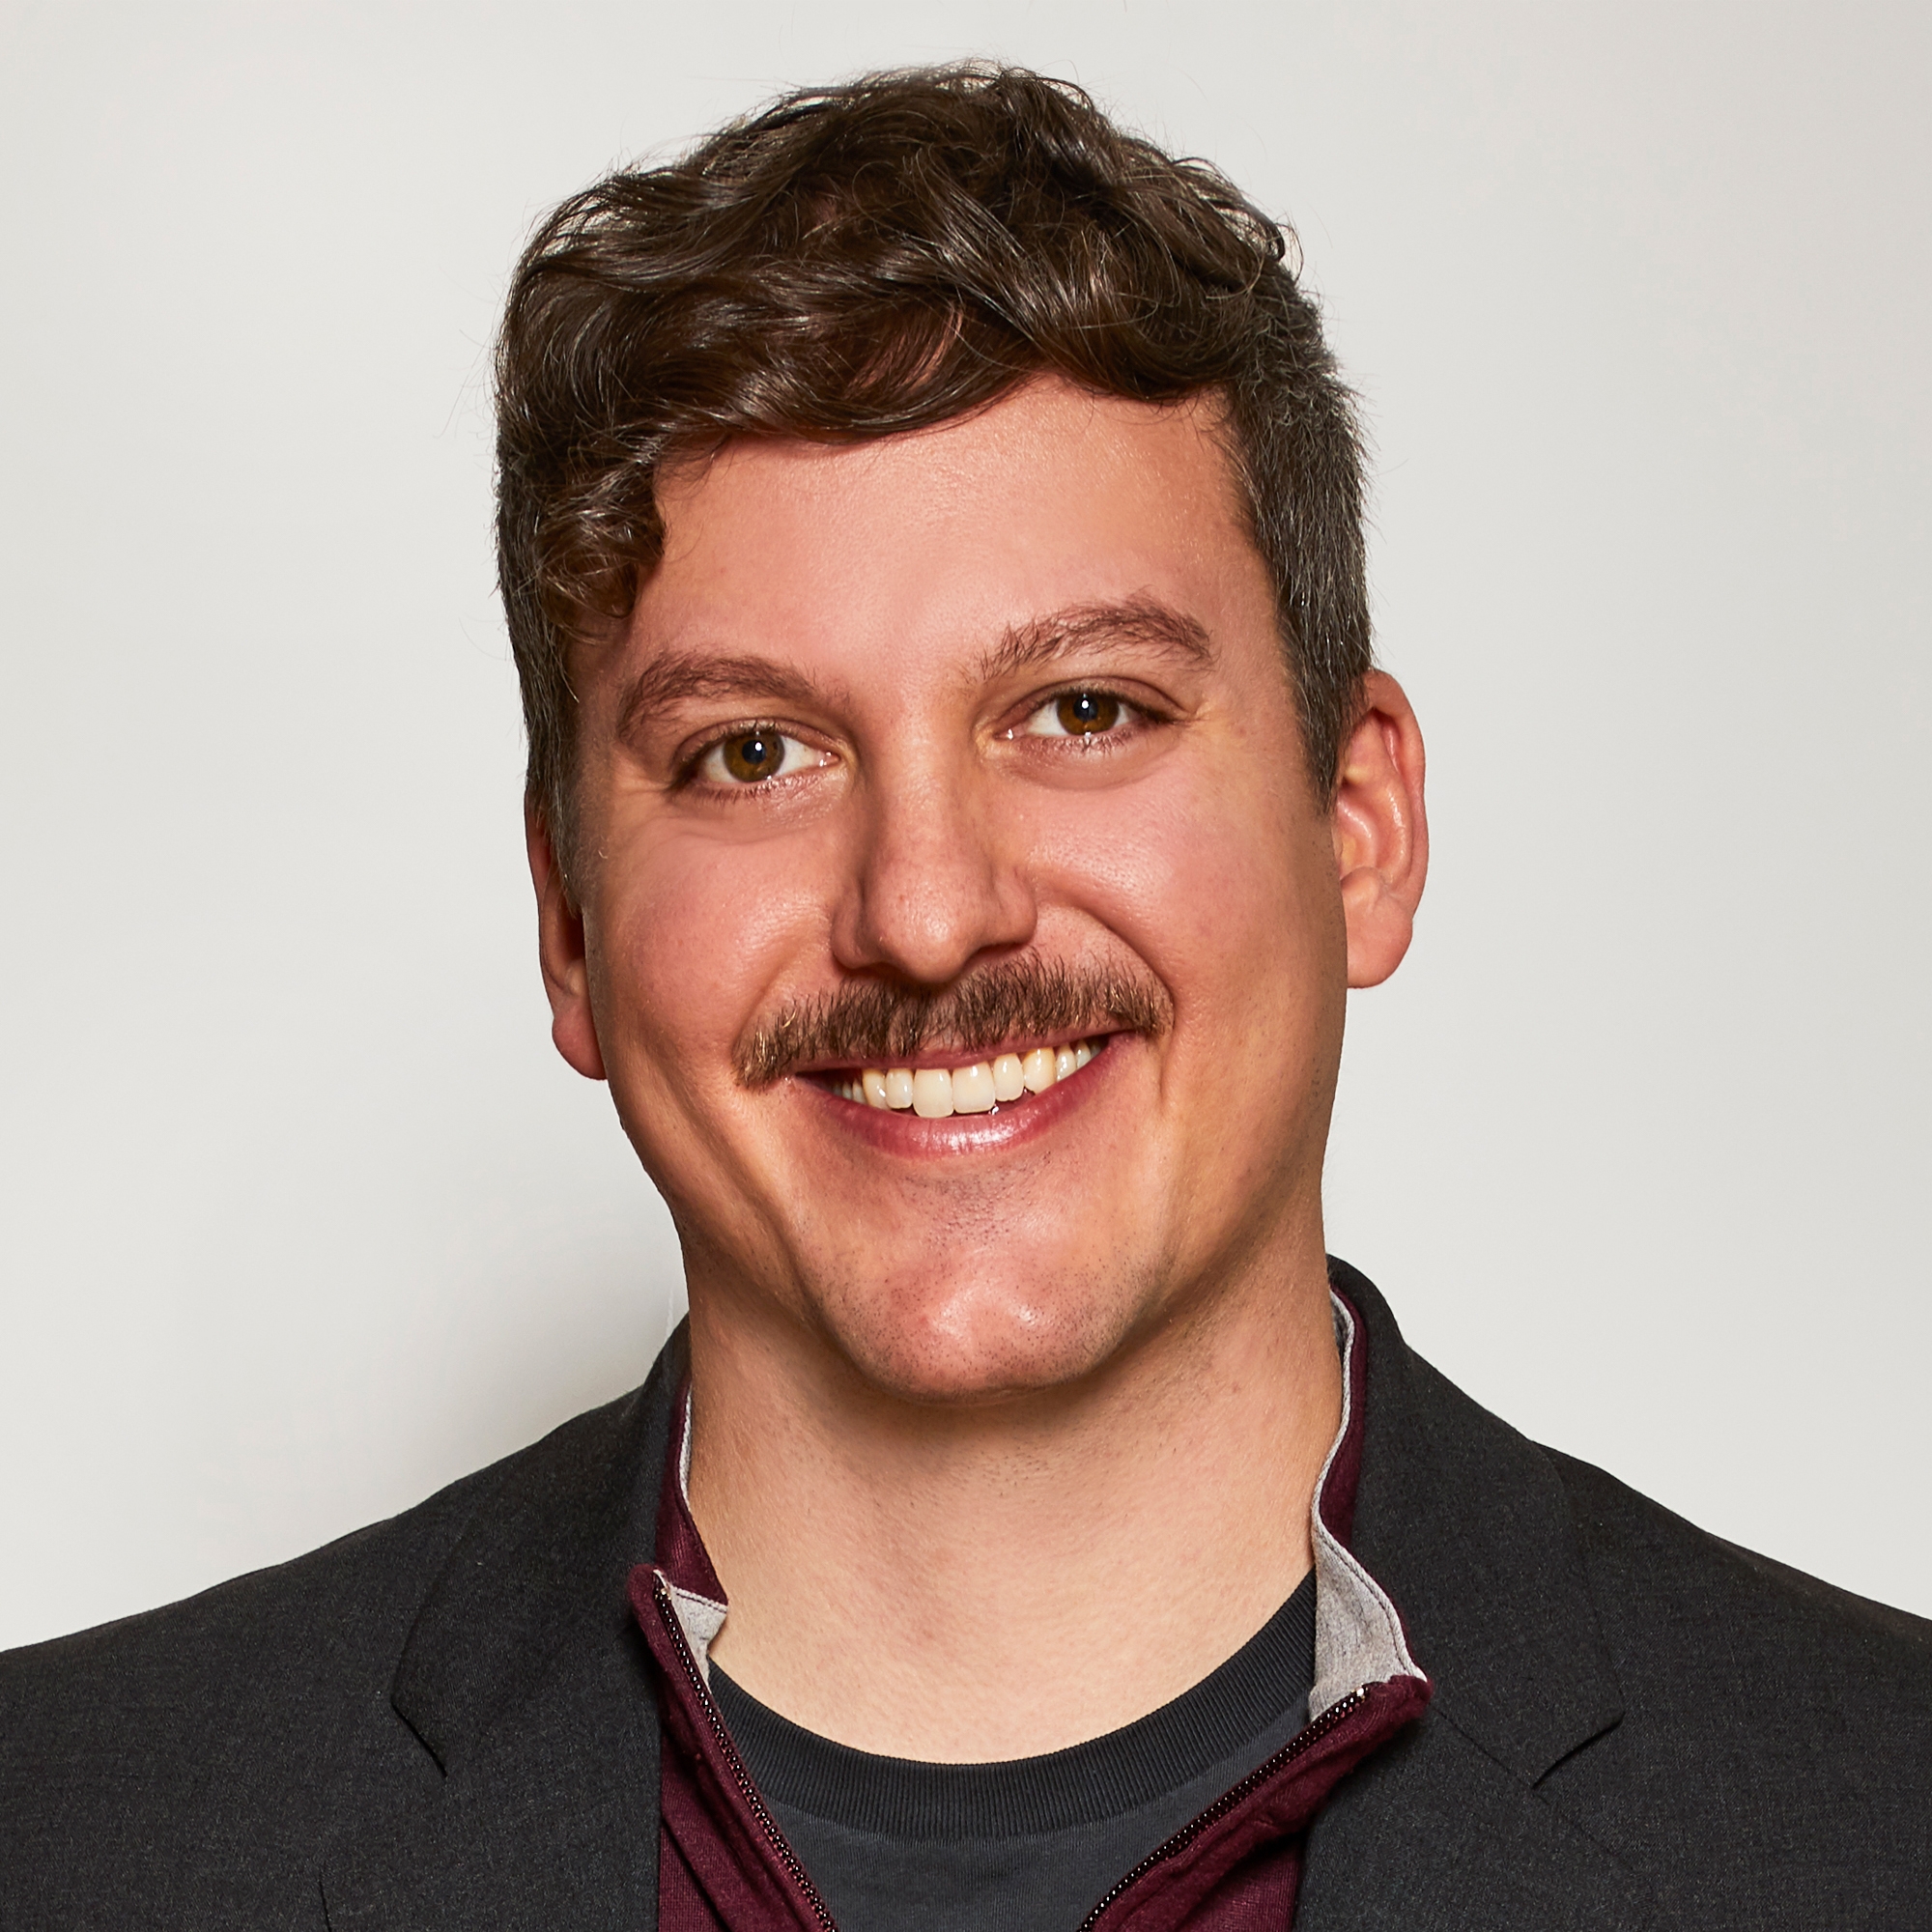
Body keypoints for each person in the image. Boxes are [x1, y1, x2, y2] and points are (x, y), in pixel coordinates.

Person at [2, 62, 1926, 1931]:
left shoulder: (1880, 1819)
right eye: (753, 752)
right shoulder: (64, 1834)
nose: (926, 915)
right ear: (571, 921)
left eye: (1085, 709)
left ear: (1358, 825)